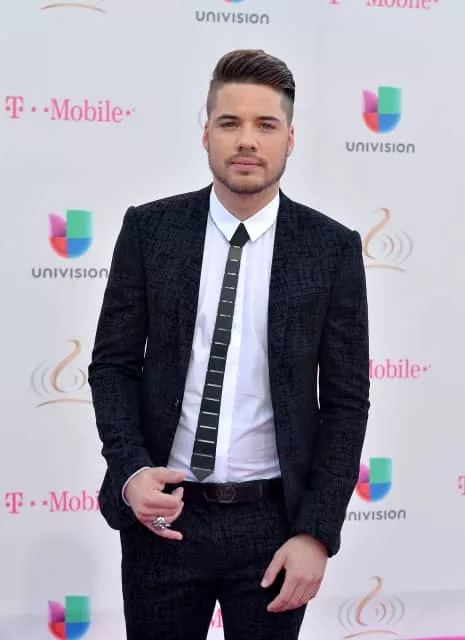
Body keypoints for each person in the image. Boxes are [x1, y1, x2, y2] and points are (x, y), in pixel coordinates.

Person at [88, 48, 370, 640]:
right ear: (206, 134)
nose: (246, 140)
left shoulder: (330, 248)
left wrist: (317, 533)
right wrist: (131, 470)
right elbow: (113, 366)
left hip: (274, 528)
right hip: (163, 519)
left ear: (290, 138)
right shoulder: (149, 230)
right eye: (229, 122)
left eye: (265, 124)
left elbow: (346, 403)